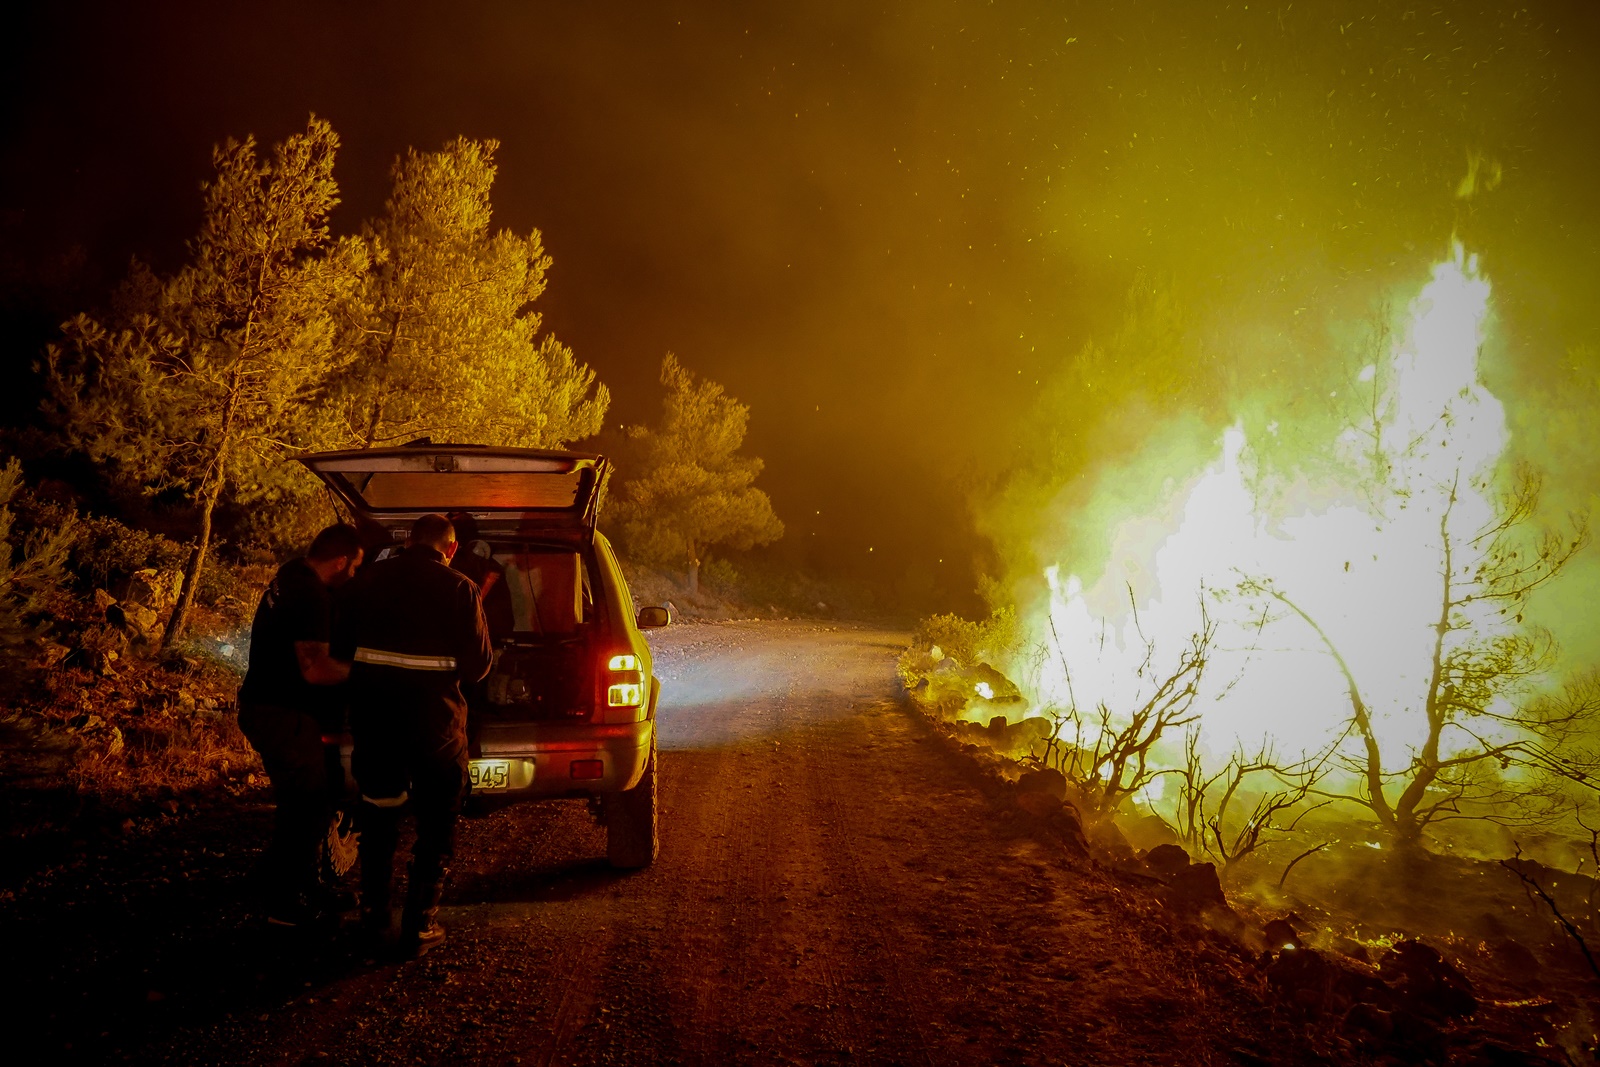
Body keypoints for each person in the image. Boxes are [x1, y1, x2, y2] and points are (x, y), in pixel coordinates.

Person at [335, 513, 492, 957]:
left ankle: (374, 918)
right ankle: (419, 926)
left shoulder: (366, 582)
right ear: (451, 548)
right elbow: (478, 667)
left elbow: (340, 650)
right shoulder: (461, 588)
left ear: (407, 540)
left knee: (379, 817)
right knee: (437, 823)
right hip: (435, 731)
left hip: (377, 725)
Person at [236, 523, 364, 926]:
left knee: (303, 803)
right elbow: (315, 669)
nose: (355, 576)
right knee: (307, 807)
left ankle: (296, 884)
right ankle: (284, 904)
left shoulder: (290, 574)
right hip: (281, 713)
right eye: (356, 567)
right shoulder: (310, 596)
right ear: (341, 561)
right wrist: (368, 671)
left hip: (265, 707)